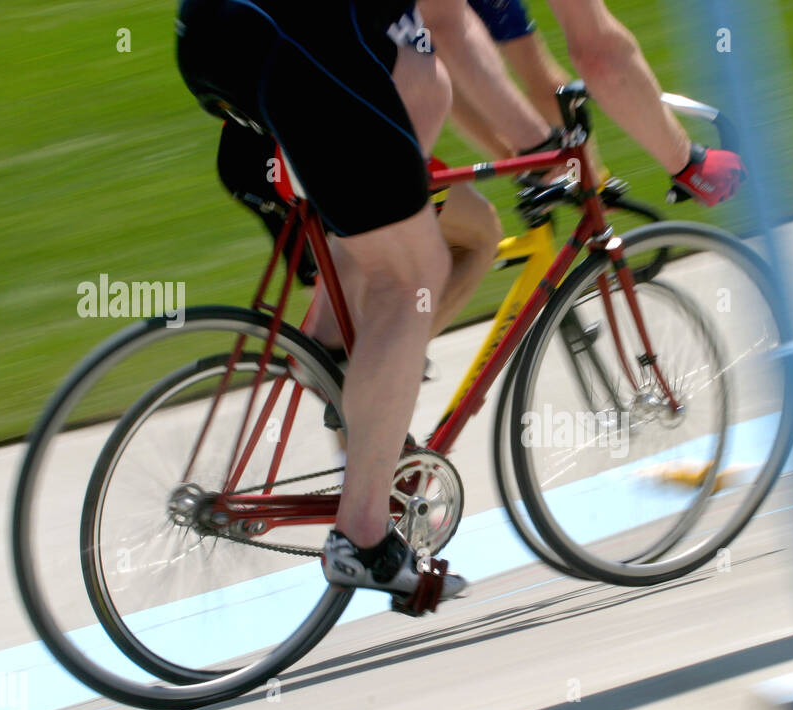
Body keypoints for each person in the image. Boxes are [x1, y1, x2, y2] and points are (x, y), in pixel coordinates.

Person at [174, 0, 745, 612]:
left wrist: (538, 150)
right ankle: (364, 535)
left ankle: (345, 369)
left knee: (445, 220)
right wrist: (683, 161)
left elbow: (448, 53)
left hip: (226, 56)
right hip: (305, 62)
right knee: (417, 270)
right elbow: (587, 49)